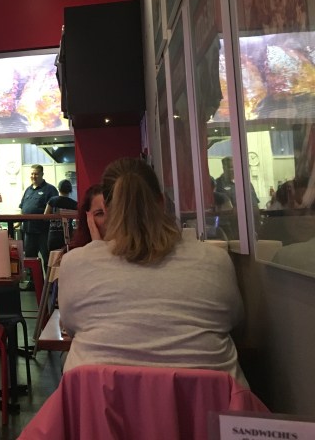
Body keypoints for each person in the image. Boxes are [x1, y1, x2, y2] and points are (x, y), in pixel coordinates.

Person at [59, 158, 247, 386]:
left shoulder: (74, 263)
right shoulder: (215, 260)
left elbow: (71, 327)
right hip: (210, 407)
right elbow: (234, 321)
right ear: (161, 202)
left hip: (100, 406)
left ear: (106, 209)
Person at [19, 164, 58, 263]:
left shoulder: (50, 189)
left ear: (42, 174)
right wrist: (18, 222)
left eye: (36, 174)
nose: (33, 176)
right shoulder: (28, 190)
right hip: (28, 232)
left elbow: (55, 210)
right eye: (32, 174)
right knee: (30, 260)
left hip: (44, 232)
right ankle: (33, 274)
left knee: (47, 259)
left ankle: (49, 275)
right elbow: (22, 207)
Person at [67, 184, 106, 251]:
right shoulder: (75, 254)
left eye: (114, 212)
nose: (109, 219)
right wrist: (96, 245)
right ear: (87, 218)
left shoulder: (125, 253)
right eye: (100, 213)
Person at [46, 179, 77, 253]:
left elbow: (45, 216)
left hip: (53, 234)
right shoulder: (74, 203)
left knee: (53, 257)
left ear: (58, 189)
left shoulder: (52, 200)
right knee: (67, 256)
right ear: (70, 190)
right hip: (67, 235)